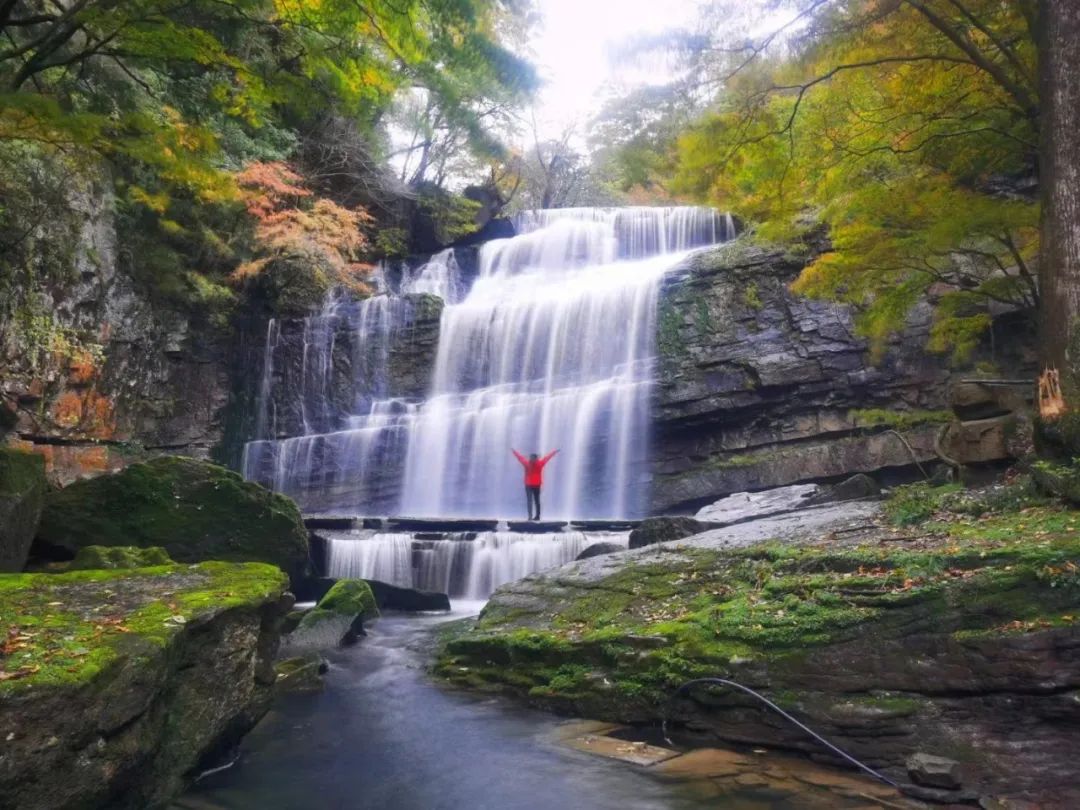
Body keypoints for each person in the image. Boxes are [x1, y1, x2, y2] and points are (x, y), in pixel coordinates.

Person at [512, 448, 559, 520]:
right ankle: (531, 516)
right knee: (531, 500)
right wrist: (514, 451)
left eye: (532, 458)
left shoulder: (536, 463)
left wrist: (554, 452)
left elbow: (548, 457)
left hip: (535, 485)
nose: (531, 459)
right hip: (530, 485)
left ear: (535, 458)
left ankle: (537, 516)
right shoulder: (529, 463)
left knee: (536, 501)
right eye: (531, 458)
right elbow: (520, 457)